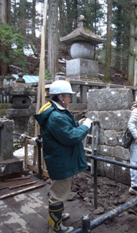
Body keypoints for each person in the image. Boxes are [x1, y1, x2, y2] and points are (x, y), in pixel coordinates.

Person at [35, 80, 92, 233]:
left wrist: (77, 123)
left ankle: (57, 216)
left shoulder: (56, 111)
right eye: (68, 96)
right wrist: (85, 126)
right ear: (60, 96)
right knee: (58, 194)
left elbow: (65, 127)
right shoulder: (56, 116)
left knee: (58, 191)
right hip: (60, 161)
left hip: (58, 158)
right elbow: (71, 137)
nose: (70, 99)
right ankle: (55, 227)